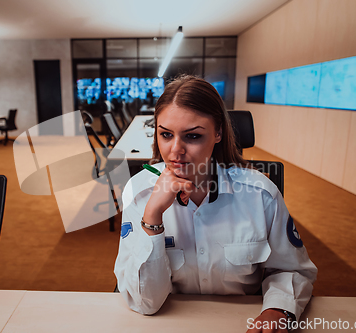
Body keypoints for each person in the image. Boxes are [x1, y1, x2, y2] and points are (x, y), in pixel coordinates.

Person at [114, 75, 317, 332]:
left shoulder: (259, 194)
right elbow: (146, 303)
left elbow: (292, 270)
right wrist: (152, 215)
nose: (176, 150)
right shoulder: (139, 191)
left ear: (218, 132)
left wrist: (277, 309)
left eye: (193, 136)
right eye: (166, 134)